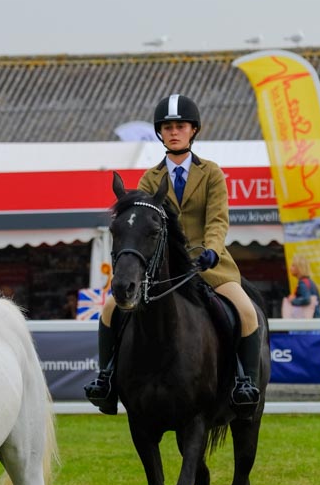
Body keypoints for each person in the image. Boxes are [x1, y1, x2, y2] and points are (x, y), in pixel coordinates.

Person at [85, 93, 263, 417]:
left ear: (193, 130)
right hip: (164, 270)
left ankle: (244, 382)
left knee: (246, 313)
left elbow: (218, 219)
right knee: (110, 309)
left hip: (210, 264)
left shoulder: (211, 173)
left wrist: (211, 249)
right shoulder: (150, 179)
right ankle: (106, 379)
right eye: (167, 127)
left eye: (180, 126)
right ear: (160, 133)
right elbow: (142, 227)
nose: (174, 132)